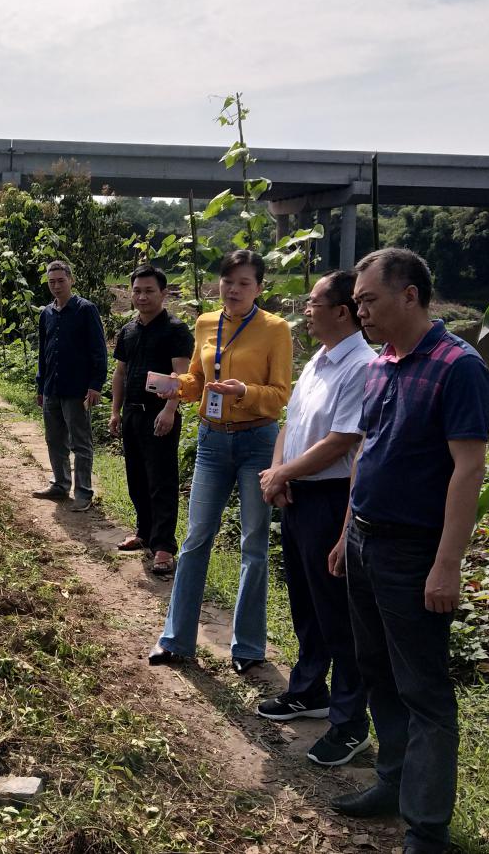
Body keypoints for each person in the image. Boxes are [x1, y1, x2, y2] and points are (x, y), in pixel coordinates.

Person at [329, 248, 489, 854]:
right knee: (378, 673)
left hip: (413, 552)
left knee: (423, 689)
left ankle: (426, 828)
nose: (360, 311)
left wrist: (446, 562)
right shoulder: (380, 365)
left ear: (409, 295)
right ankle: (392, 784)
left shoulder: (459, 367)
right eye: (356, 302)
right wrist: (347, 530)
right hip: (367, 540)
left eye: (368, 300)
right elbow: (364, 452)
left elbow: (469, 468)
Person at [148, 250, 292, 672]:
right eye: (228, 282)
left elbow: (280, 394)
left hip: (257, 442)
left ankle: (247, 647)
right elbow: (197, 379)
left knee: (254, 545)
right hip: (212, 441)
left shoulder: (276, 329)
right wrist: (177, 387)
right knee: (195, 539)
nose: (233, 290)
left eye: (244, 283)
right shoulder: (206, 322)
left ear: (259, 288)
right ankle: (176, 639)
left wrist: (244, 392)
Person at [256, 270, 375, 767]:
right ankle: (308, 690)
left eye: (312, 303)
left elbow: (342, 441)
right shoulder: (320, 362)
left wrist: (283, 473)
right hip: (299, 494)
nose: (305, 310)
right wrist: (280, 476)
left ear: (341, 311)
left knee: (338, 612)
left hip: (331, 498)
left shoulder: (361, 366)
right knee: (305, 600)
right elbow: (293, 422)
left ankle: (350, 722)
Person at [109, 264, 194, 576]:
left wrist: (170, 410)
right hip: (132, 412)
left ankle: (163, 547)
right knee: (137, 478)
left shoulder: (175, 329)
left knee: (162, 482)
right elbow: (120, 372)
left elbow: (181, 374)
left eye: (148, 291)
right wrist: (116, 411)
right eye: (137, 291)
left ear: (163, 293)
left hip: (159, 415)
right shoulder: (129, 330)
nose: (141, 296)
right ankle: (144, 532)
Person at [33, 260, 107, 511]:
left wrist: (95, 385)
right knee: (54, 439)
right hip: (52, 387)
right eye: (51, 282)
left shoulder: (85, 310)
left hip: (77, 389)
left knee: (80, 442)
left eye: (60, 281)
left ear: (71, 280)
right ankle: (60, 484)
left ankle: (83, 492)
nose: (56, 286)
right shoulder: (47, 313)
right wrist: (41, 386)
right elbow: (43, 352)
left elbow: (99, 350)